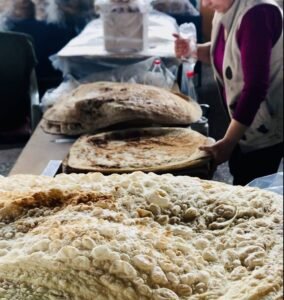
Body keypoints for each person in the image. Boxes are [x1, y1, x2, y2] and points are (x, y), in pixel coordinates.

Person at [174, 0, 283, 185]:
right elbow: (225, 54)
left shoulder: (257, 15)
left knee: (254, 190)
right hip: (244, 120)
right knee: (240, 174)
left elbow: (255, 88)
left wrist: (229, 142)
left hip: (264, 127)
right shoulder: (227, 7)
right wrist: (193, 50)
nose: (205, 4)